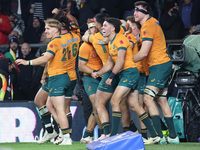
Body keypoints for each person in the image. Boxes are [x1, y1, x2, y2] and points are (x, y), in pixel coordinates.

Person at [16, 17, 79, 145]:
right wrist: (45, 73)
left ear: (57, 29)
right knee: (46, 103)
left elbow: (47, 58)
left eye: (48, 28)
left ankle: (65, 136)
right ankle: (52, 131)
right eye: (45, 28)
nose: (45, 31)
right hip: (69, 76)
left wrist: (27, 62)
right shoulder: (73, 37)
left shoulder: (54, 43)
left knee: (60, 109)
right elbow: (53, 59)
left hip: (58, 77)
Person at [133, 1, 179, 144]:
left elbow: (144, 52)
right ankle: (173, 137)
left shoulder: (148, 25)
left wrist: (128, 60)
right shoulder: (151, 24)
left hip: (158, 65)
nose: (134, 13)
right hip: (161, 65)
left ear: (146, 13)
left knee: (147, 98)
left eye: (138, 10)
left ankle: (157, 136)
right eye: (134, 10)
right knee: (161, 99)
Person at [79, 18, 103, 143]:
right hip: (90, 78)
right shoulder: (85, 46)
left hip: (103, 77)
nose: (92, 30)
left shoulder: (102, 42)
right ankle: (105, 133)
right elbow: (81, 66)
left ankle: (87, 134)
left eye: (94, 27)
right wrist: (92, 72)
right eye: (90, 28)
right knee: (97, 105)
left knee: (97, 107)